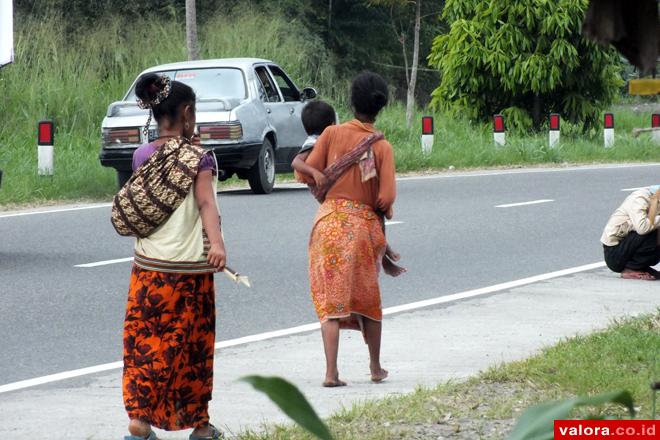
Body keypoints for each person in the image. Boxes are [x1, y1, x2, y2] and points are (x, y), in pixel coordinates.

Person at [122, 73, 226, 440]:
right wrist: (217, 245)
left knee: (145, 345)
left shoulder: (141, 155)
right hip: (190, 272)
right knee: (190, 349)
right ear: (186, 113)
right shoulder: (199, 159)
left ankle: (140, 420)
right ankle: (199, 425)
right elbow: (205, 204)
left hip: (148, 270)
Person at [297, 72, 396, 387]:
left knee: (332, 300)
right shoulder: (382, 147)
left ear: (351, 102)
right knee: (367, 297)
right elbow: (385, 198)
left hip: (326, 223)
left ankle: (331, 373)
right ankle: (375, 367)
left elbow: (305, 175)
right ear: (380, 107)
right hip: (362, 227)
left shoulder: (330, 134)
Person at [292, 100, 405, 277]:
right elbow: (299, 167)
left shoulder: (333, 135)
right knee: (379, 213)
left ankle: (384, 250)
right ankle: (384, 252)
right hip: (343, 200)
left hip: (331, 206)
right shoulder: (326, 139)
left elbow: (302, 175)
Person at [601, 185, 660, 280]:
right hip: (615, 254)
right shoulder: (640, 198)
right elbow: (642, 228)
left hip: (628, 249)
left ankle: (641, 266)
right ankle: (632, 268)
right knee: (654, 232)